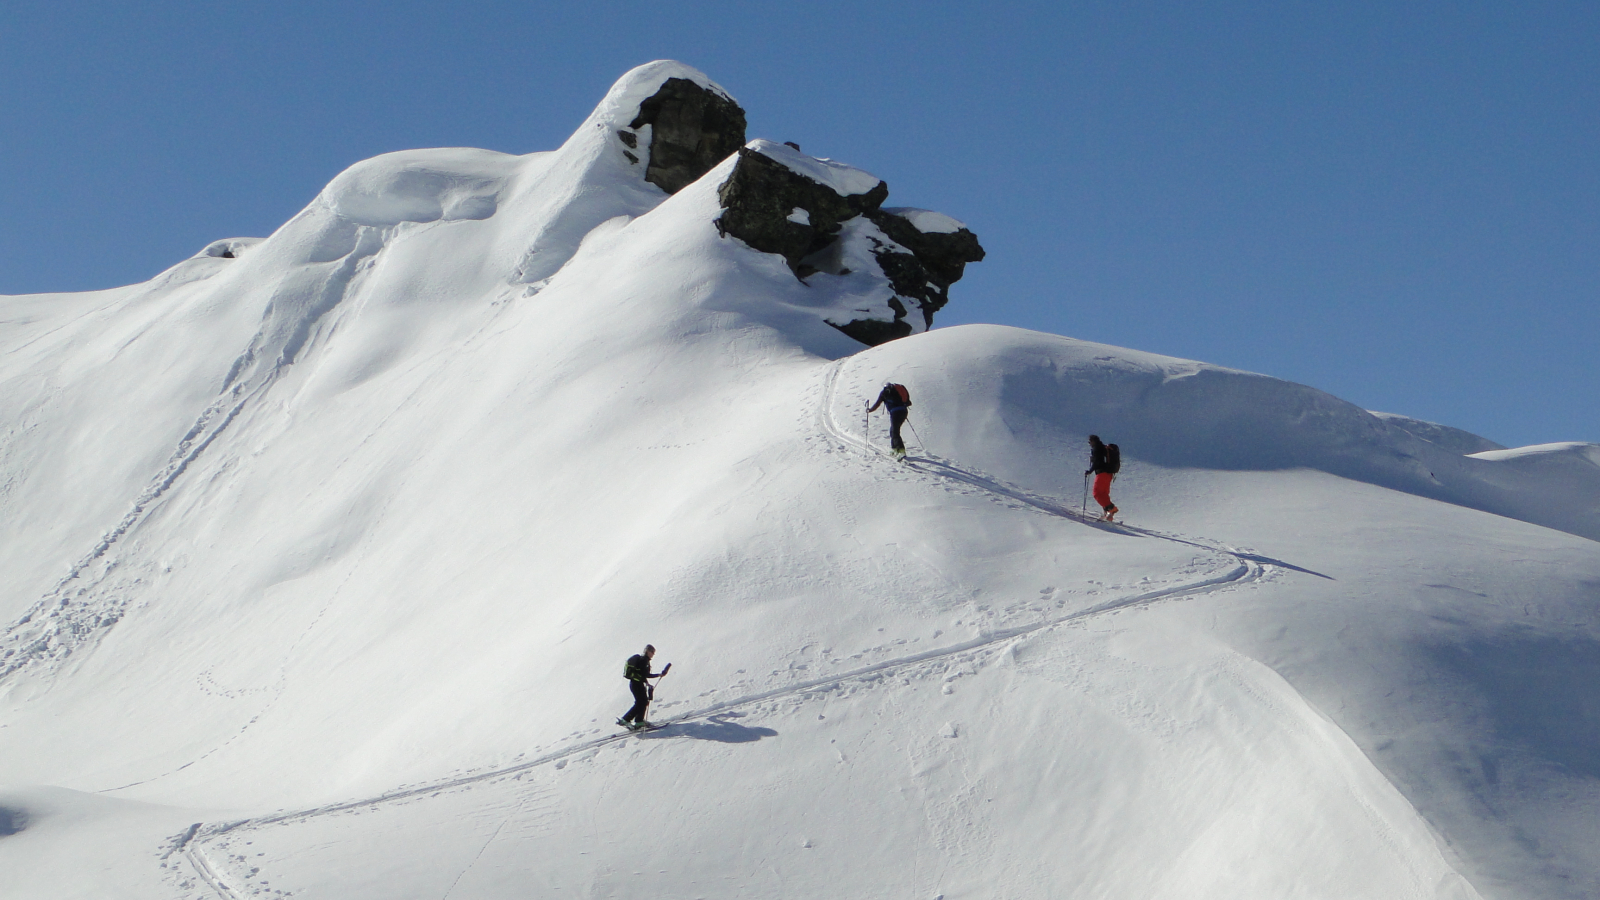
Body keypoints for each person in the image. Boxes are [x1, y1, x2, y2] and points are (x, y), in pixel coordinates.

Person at [617, 644, 670, 730]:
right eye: (652, 652)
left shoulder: (643, 660)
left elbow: (641, 675)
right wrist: (658, 675)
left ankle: (639, 720)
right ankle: (626, 719)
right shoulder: (644, 660)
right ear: (648, 651)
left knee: (642, 701)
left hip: (636, 684)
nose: (653, 654)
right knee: (641, 702)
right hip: (637, 684)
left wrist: (646, 683)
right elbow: (646, 674)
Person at [867, 383, 913, 457]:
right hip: (904, 411)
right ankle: (895, 448)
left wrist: (870, 410)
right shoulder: (898, 390)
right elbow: (909, 402)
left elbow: (877, 404)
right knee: (893, 430)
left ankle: (901, 451)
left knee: (895, 431)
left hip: (895, 412)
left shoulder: (884, 393)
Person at [1085, 435, 1120, 521]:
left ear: (1093, 441)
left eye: (1090, 442)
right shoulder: (1104, 448)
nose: (1089, 444)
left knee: (1097, 493)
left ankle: (1111, 508)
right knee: (1104, 494)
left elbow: (1097, 462)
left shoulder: (1097, 448)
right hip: (1109, 474)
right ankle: (1109, 515)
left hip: (1102, 473)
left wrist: (1090, 471)